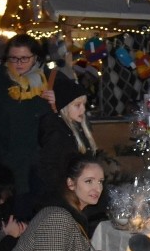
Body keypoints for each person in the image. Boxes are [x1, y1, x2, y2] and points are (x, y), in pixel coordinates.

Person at [0, 34, 54, 221]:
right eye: (13, 58)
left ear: (36, 58)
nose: (18, 63)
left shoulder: (49, 80)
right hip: (12, 166)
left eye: (24, 58)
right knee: (17, 220)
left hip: (44, 165)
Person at [36, 72, 104, 226]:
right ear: (65, 107)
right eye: (77, 105)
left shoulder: (79, 129)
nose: (82, 110)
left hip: (78, 196)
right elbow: (50, 169)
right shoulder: (57, 132)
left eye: (84, 105)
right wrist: (68, 192)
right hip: (65, 199)